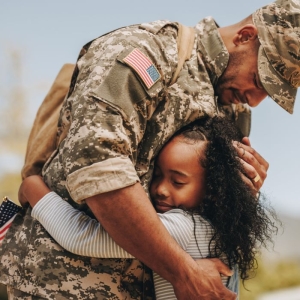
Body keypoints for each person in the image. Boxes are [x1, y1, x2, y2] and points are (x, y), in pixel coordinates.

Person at [0, 0, 299, 299]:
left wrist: (245, 190)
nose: (255, 100)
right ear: (245, 36)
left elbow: (211, 217)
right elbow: (100, 171)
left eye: (270, 94)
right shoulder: (148, 53)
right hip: (63, 287)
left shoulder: (235, 109)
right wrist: (183, 273)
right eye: (261, 80)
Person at [18, 117, 278, 300]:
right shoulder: (224, 230)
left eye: (178, 181)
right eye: (157, 176)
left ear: (213, 189)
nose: (161, 189)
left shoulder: (184, 227)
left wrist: (33, 187)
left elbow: (80, 237)